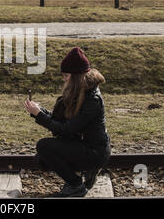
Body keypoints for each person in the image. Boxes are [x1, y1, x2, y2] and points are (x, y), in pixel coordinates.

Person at [23, 47, 111, 197]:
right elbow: (63, 122)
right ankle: (82, 174)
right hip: (83, 144)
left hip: (94, 151)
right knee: (41, 159)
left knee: (43, 146)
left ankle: (76, 185)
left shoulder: (92, 100)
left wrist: (39, 115)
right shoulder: (80, 92)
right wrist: (39, 111)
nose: (64, 79)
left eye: (66, 75)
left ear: (76, 76)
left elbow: (66, 129)